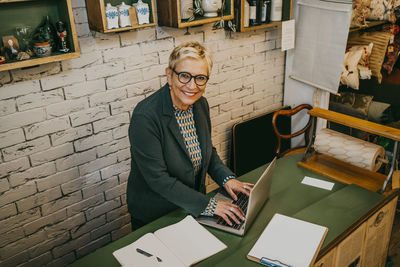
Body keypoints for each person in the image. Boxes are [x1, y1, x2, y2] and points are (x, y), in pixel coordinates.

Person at [127, 41, 253, 231]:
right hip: (156, 216)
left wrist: (227, 179)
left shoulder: (200, 105)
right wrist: (209, 205)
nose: (192, 86)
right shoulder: (145, 117)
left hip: (190, 207)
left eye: (200, 78)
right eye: (184, 76)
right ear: (169, 76)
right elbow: (158, 180)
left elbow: (207, 152)